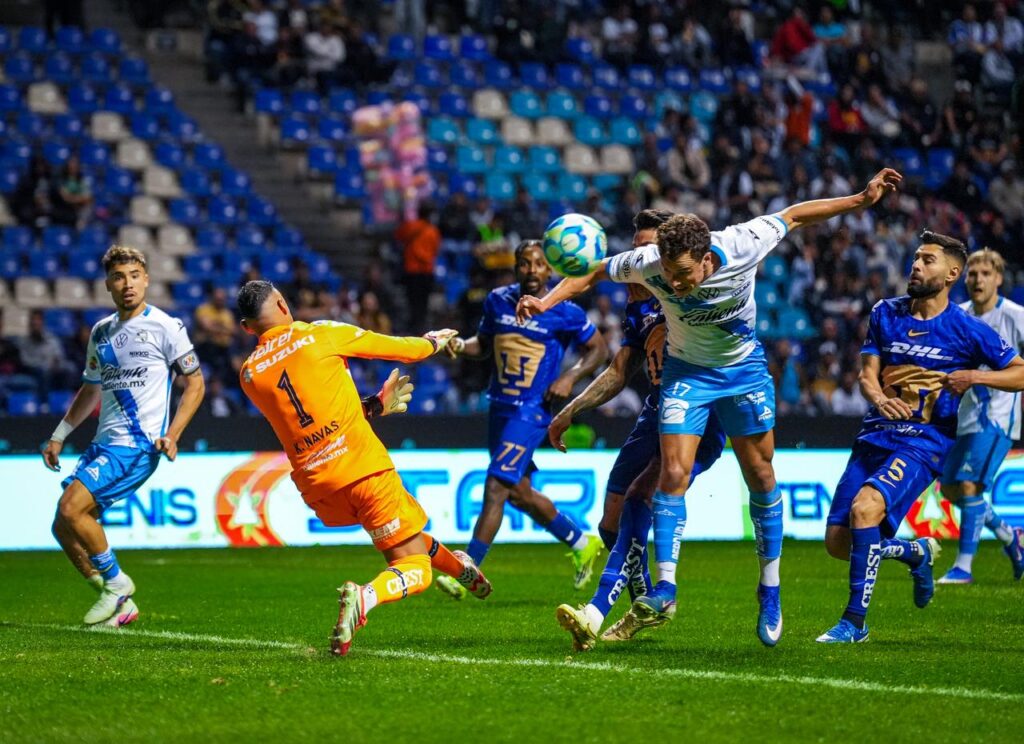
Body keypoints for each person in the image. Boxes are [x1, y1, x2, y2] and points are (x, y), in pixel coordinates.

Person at [517, 168, 904, 647]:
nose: (674, 286)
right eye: (667, 274)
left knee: (761, 476)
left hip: (743, 372)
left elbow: (796, 216)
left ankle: (770, 587)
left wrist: (860, 200)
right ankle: (664, 587)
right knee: (670, 475)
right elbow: (594, 273)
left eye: (682, 275)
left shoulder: (744, 242)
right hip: (687, 375)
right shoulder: (651, 263)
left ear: (705, 257)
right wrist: (547, 299)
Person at [236, 281, 490, 656]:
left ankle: (461, 569)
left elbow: (307, 410)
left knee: (406, 531)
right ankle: (365, 597)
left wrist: (371, 408)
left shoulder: (249, 375)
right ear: (281, 303)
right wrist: (433, 341)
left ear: (246, 327)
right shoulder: (320, 333)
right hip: (363, 468)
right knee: (414, 570)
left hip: (320, 489)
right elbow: (401, 350)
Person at [818, 233, 1024, 644]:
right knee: (839, 543)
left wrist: (976, 376)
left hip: (925, 440)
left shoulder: (967, 329)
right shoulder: (885, 313)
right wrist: (877, 397)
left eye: (927, 260)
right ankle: (913, 552)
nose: (915, 265)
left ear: (951, 274)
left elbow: (1020, 371)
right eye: (915, 258)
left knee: (866, 509)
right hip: (874, 437)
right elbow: (866, 375)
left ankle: (854, 623)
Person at [547, 209, 726, 651]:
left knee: (639, 495)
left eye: (651, 249)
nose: (640, 257)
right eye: (637, 248)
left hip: (697, 413)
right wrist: (571, 409)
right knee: (611, 521)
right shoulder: (638, 305)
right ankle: (648, 601)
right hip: (655, 411)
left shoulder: (685, 297)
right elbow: (620, 369)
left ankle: (596, 609)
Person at [41, 246, 206, 627]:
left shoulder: (166, 327)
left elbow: (195, 384)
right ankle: (114, 598)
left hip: (137, 444)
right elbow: (90, 389)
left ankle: (117, 584)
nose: (127, 283)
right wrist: (60, 434)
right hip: (104, 444)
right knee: (63, 526)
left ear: (146, 279)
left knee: (70, 508)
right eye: (119, 277)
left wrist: (174, 434)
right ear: (108, 285)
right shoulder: (101, 332)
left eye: (134, 275)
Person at [438, 241, 608, 596]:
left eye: (539, 265)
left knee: (496, 486)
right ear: (516, 268)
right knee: (519, 493)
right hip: (499, 408)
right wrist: (458, 346)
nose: (532, 270)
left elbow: (599, 349)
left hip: (532, 411)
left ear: (550, 270)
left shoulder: (566, 310)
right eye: (524, 264)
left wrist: (569, 377)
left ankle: (467, 567)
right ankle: (581, 542)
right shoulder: (497, 300)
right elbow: (483, 346)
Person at [937, 249, 1024, 585]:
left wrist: (977, 378)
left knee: (969, 484)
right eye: (972, 273)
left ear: (998, 279)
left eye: (985, 273)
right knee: (950, 489)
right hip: (965, 416)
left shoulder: (1015, 316)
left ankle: (964, 566)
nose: (977, 279)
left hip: (998, 417)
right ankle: (1009, 537)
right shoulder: (957, 315)